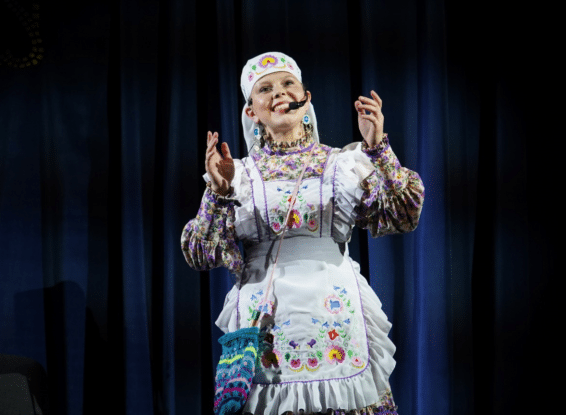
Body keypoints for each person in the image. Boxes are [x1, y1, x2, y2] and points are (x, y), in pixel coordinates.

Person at [181, 52, 424, 415]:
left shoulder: (344, 164)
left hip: (334, 311)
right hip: (266, 318)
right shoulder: (237, 175)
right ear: (251, 112)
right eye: (265, 89)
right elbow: (200, 254)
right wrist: (217, 193)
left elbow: (404, 215)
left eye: (287, 84)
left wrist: (378, 148)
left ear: (305, 99)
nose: (279, 93)